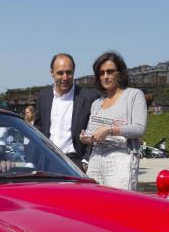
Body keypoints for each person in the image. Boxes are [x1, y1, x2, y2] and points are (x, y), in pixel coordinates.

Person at [80, 51, 147, 190]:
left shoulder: (134, 95)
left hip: (121, 157)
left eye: (110, 72)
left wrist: (109, 130)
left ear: (120, 73)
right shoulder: (97, 103)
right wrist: (87, 137)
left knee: (119, 205)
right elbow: (93, 133)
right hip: (95, 157)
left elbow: (139, 129)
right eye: (101, 73)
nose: (105, 76)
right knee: (93, 204)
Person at [34, 53, 99, 170]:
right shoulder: (43, 96)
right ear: (52, 73)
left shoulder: (88, 97)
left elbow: (95, 130)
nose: (65, 77)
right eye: (60, 73)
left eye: (69, 72)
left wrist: (86, 160)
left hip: (75, 163)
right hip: (47, 161)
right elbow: (38, 128)